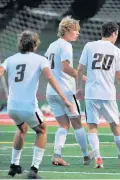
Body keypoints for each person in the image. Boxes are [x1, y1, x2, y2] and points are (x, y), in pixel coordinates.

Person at [0, 30, 75, 178]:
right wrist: (65, 99)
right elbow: (50, 79)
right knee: (42, 130)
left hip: (12, 107)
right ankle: (34, 170)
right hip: (28, 106)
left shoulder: (10, 59)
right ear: (34, 45)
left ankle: (14, 165)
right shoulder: (40, 60)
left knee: (21, 129)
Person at [76, 21, 120, 168]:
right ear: (114, 33)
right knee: (115, 126)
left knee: (92, 127)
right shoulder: (117, 51)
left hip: (91, 93)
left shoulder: (89, 46)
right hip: (108, 94)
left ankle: (98, 157)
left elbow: (79, 70)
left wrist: (78, 88)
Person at [45, 16, 90, 166]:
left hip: (51, 91)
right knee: (77, 123)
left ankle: (57, 155)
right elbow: (66, 68)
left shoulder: (52, 45)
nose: (78, 33)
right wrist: (84, 78)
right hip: (65, 90)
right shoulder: (65, 45)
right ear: (68, 30)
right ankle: (86, 156)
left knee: (63, 125)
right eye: (75, 30)